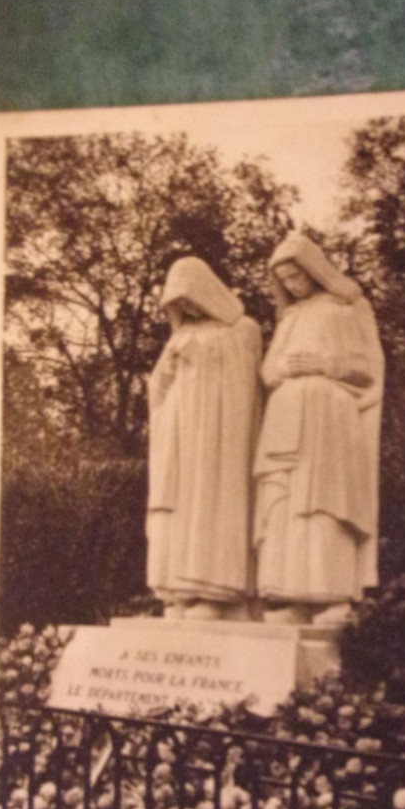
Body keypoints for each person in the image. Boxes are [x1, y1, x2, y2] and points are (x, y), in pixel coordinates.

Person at [253, 233, 385, 625]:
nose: (293, 284)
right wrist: (282, 369)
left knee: (325, 503)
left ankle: (333, 598)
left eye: (297, 275)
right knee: (287, 506)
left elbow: (369, 368)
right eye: (285, 280)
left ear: (313, 268)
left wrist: (325, 365)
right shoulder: (290, 318)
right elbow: (267, 370)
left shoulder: (346, 308)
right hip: (287, 417)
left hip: (330, 419)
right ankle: (293, 597)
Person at [147, 257, 261, 619]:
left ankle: (216, 593)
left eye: (191, 298)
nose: (188, 309)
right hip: (180, 435)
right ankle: (181, 592)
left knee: (211, 505)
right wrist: (165, 419)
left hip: (219, 436)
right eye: (179, 304)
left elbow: (247, 388)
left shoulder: (242, 329)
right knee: (180, 508)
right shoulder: (179, 337)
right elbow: (158, 384)